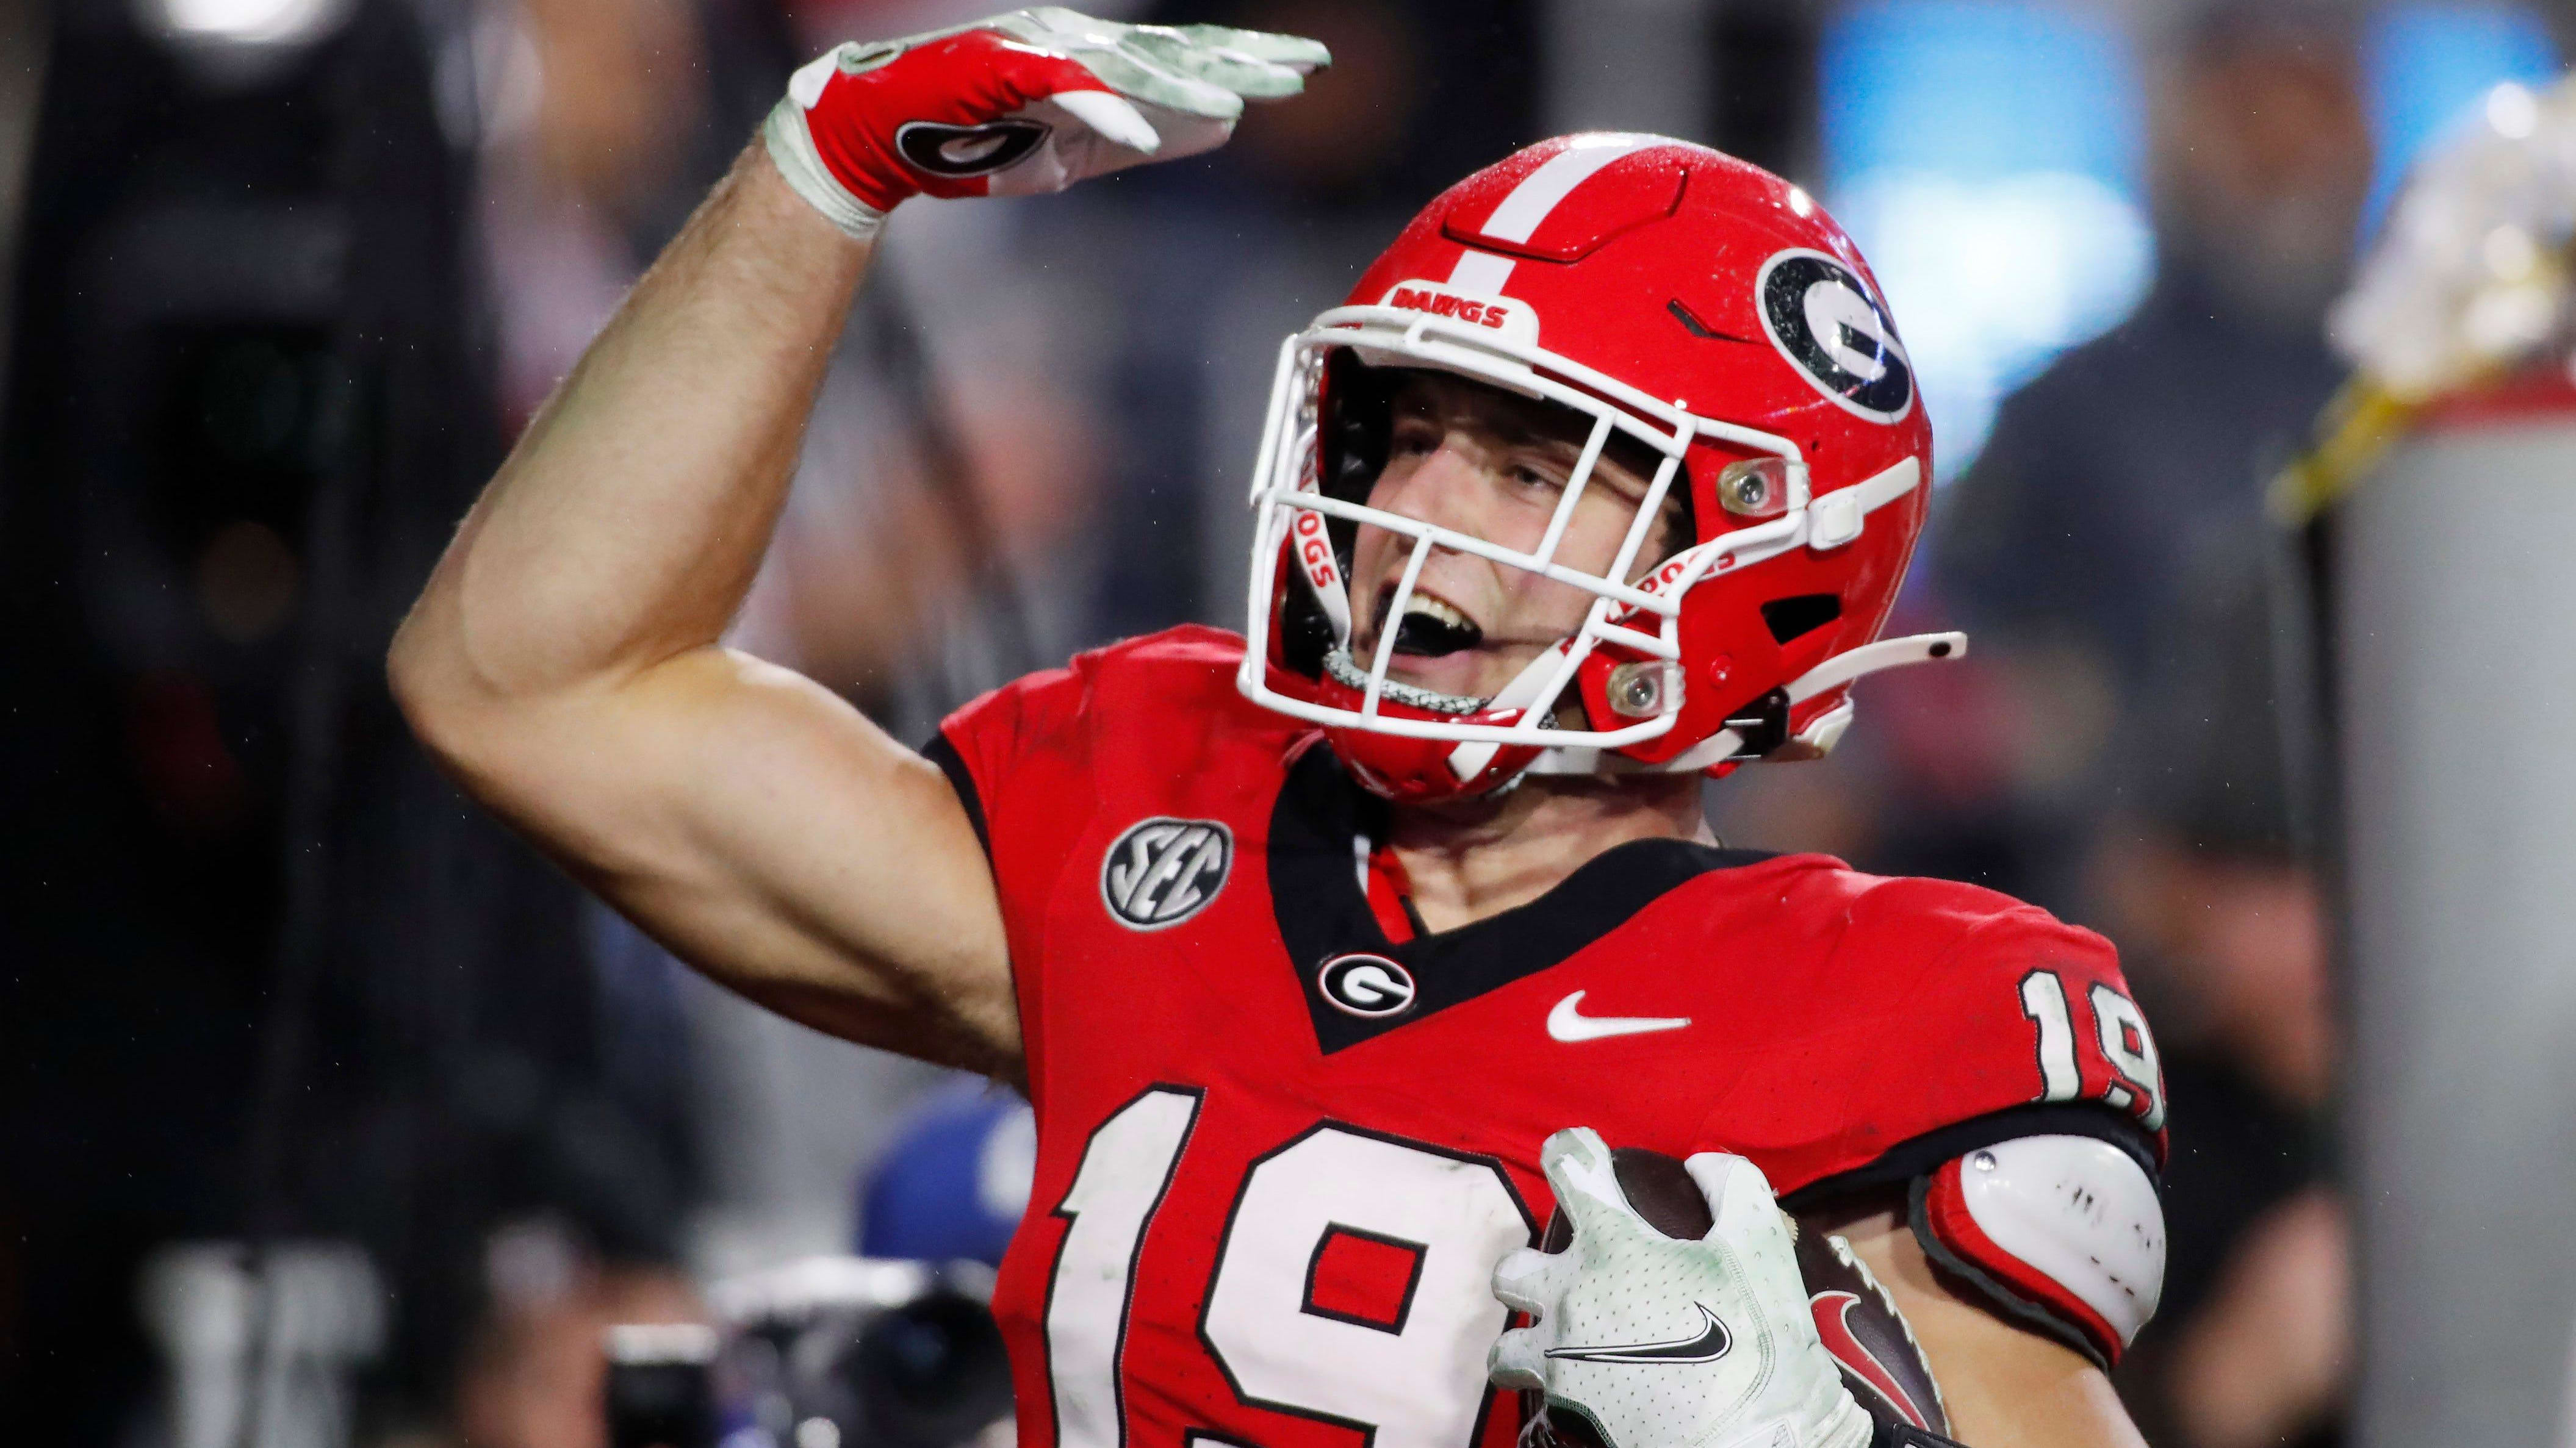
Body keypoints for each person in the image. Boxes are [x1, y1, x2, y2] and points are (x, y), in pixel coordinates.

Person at [389, 12, 2170, 1448]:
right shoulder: (1179, 804)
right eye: (1408, 432)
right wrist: (822, 173)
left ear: (1755, 568)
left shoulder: (1888, 1022)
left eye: (1534, 467)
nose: (1418, 514)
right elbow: (536, 685)